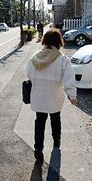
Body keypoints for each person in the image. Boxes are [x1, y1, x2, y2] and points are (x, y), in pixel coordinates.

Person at [26, 28, 78, 162]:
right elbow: (69, 78)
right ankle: (56, 143)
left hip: (38, 95)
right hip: (54, 95)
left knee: (39, 121)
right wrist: (72, 96)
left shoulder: (35, 57)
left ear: (45, 41)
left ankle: (38, 149)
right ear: (58, 42)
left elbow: (29, 75)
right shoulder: (62, 59)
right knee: (55, 119)